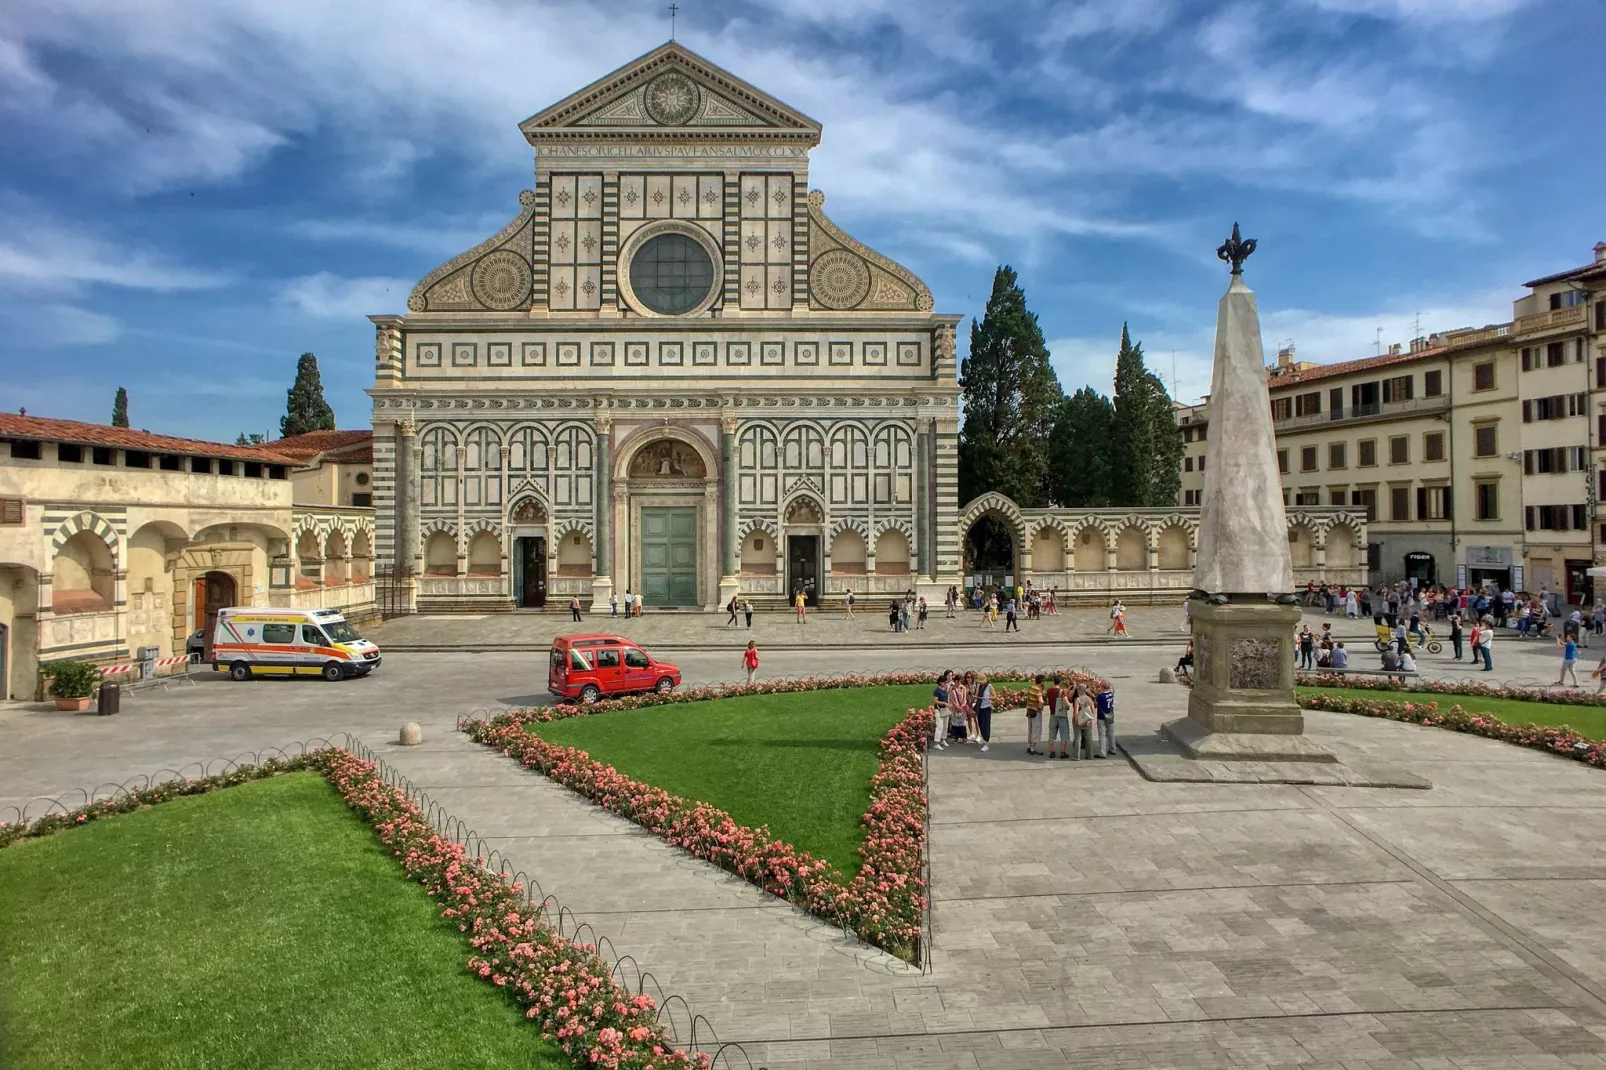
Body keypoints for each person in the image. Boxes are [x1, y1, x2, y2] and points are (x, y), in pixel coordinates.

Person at [1046, 676, 1071, 760]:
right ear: (1060, 682)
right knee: (1064, 733)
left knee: (1052, 734)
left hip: (1052, 714)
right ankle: (1062, 752)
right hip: (1061, 715)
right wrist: (1068, 706)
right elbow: (1066, 703)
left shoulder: (1049, 690)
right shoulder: (1061, 691)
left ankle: (1051, 752)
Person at [1070, 685, 1095, 760]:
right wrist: (1090, 719)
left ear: (1078, 690)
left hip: (1079, 721)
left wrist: (1076, 720)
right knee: (1089, 738)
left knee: (1078, 738)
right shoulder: (1089, 699)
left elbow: (1076, 711)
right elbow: (1093, 710)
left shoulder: (1077, 699)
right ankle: (1090, 755)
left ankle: (1076, 756)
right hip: (1088, 721)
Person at [1024, 675, 1045, 755]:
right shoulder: (1038, 690)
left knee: (1030, 728)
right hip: (1036, 712)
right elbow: (1041, 701)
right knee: (1036, 730)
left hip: (1030, 710)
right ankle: (1033, 748)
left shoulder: (1031, 688)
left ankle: (1029, 746)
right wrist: (1040, 708)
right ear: (1042, 681)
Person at [973, 674, 994, 753]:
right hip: (980, 708)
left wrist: (988, 698)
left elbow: (995, 697)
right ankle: (984, 739)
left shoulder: (989, 686)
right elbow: (977, 694)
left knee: (986, 726)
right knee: (981, 724)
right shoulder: (979, 686)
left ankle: (987, 743)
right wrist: (974, 696)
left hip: (986, 708)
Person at [932, 671, 952, 749]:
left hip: (945, 709)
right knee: (939, 726)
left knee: (945, 726)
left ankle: (943, 739)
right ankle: (936, 742)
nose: (945, 683)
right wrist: (944, 703)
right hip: (939, 709)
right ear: (940, 682)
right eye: (944, 682)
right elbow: (935, 701)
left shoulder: (945, 689)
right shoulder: (937, 691)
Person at [1094, 686, 1116, 758]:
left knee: (1102, 734)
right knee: (1111, 733)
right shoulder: (1111, 694)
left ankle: (1102, 752)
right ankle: (1112, 749)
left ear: (1102, 687)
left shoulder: (1100, 696)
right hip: (1110, 715)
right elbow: (1112, 689)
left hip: (1101, 717)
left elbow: (1095, 704)